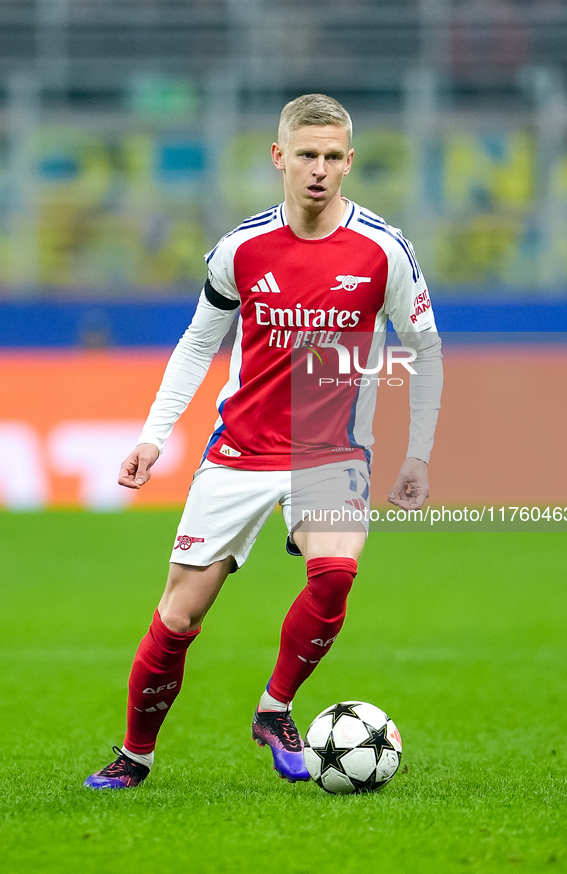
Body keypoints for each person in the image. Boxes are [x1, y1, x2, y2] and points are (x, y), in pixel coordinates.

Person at [84, 93, 443, 789]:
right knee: (178, 615)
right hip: (240, 450)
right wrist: (153, 437)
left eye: (332, 157)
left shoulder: (382, 251)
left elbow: (425, 348)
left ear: (348, 162)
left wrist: (418, 454)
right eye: (306, 154)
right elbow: (197, 343)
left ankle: (273, 706)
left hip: (329, 451)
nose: (318, 169)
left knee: (335, 571)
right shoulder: (240, 249)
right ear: (279, 157)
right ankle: (135, 753)